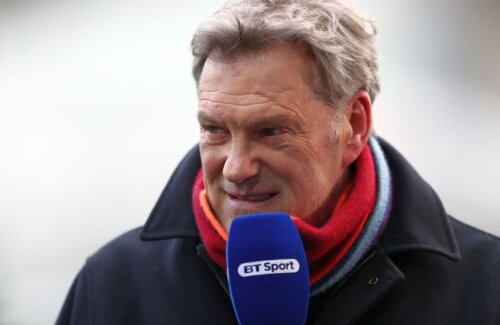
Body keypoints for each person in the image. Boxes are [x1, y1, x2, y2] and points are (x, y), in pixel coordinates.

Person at [56, 0, 500, 324]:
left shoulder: (484, 284)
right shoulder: (113, 285)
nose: (236, 168)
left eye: (270, 131)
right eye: (215, 130)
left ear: (354, 124)